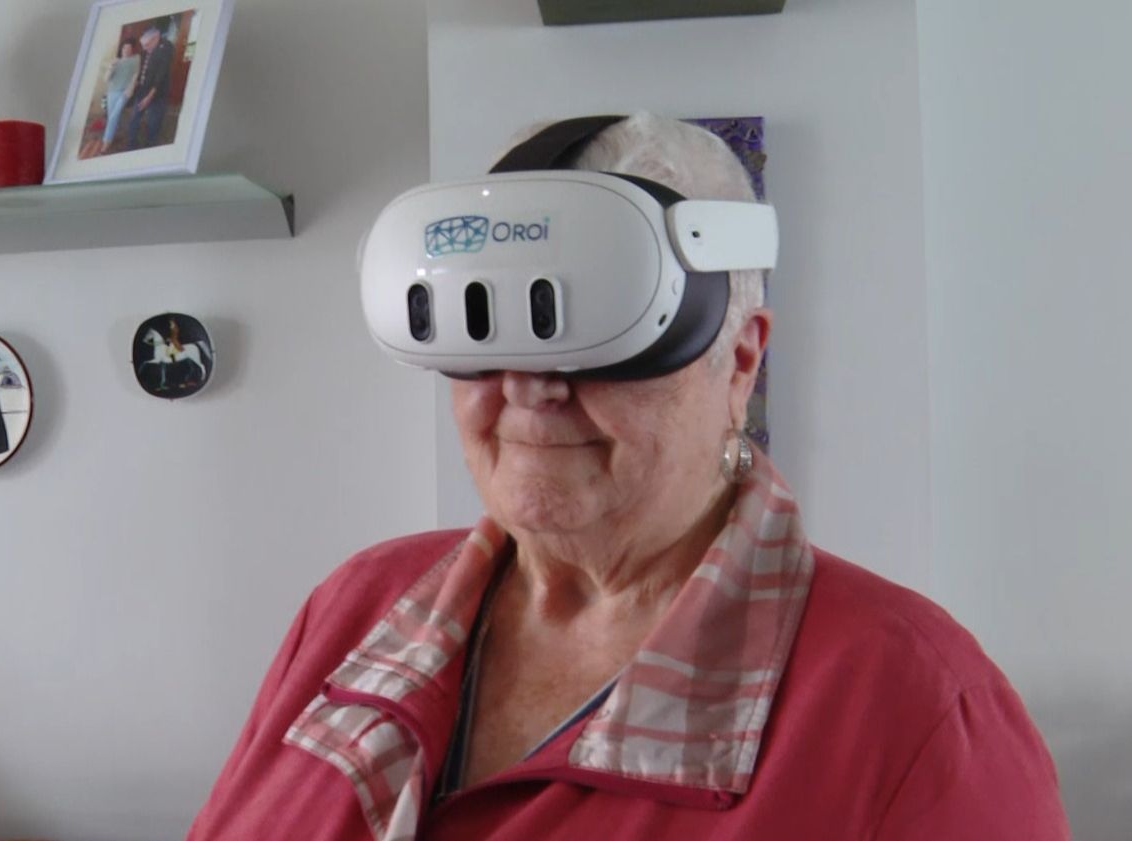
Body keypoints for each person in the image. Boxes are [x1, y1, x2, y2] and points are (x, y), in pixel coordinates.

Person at [187, 112, 1071, 840]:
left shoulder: (911, 710)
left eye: (607, 328)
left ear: (739, 361)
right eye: (487, 328)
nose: (530, 388)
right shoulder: (353, 610)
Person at [124, 20, 174, 150]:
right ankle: (131, 146)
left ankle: (150, 148)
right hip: (142, 89)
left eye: (147, 45)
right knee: (134, 118)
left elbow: (160, 76)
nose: (144, 48)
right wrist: (134, 83)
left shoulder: (166, 47)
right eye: (143, 45)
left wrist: (149, 97)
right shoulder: (146, 49)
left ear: (156, 37)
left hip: (157, 93)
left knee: (153, 122)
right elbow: (142, 69)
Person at [100, 39, 141, 153]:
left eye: (129, 48)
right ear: (121, 49)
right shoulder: (115, 62)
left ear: (132, 50)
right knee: (112, 116)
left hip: (124, 93)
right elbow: (106, 79)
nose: (127, 50)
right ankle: (113, 134)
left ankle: (106, 142)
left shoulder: (135, 60)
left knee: (114, 116)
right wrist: (111, 67)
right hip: (112, 92)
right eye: (125, 48)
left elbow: (135, 75)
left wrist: (131, 88)